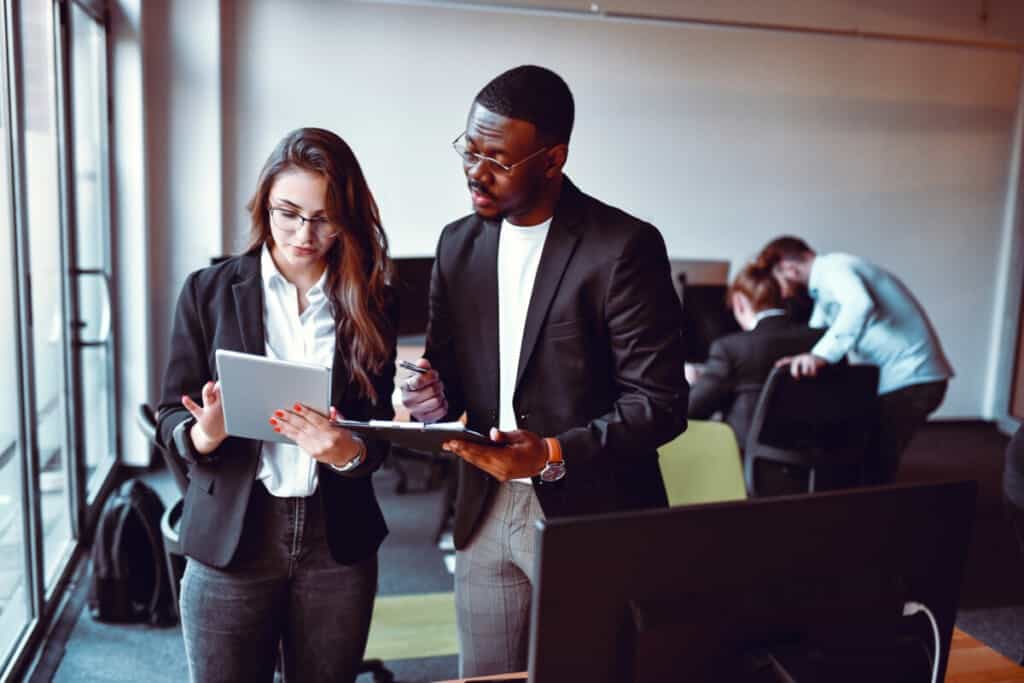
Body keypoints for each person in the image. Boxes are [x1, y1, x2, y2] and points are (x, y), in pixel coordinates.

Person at [400, 65, 687, 676]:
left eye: (498, 159)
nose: (476, 171)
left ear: (553, 159)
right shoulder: (457, 245)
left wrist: (552, 451)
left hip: (592, 510)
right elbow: (447, 374)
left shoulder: (623, 247)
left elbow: (659, 403)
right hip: (483, 505)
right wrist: (429, 396)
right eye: (469, 150)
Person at [156, 128, 397, 682]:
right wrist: (205, 434)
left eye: (324, 218)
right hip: (234, 535)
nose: (304, 233)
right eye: (288, 213)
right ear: (265, 205)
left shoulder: (372, 299)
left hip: (336, 541)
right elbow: (171, 413)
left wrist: (347, 452)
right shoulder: (208, 291)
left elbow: (377, 433)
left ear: (347, 218)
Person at [757, 236, 953, 484]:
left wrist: (820, 356)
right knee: (866, 455)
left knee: (875, 462)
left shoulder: (834, 268)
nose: (782, 291)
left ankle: (876, 517)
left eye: (777, 281)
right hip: (905, 377)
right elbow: (816, 332)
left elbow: (859, 305)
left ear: (788, 268)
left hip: (912, 378)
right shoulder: (823, 288)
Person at [687, 262, 823, 449]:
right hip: (819, 464)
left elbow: (692, 411)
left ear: (739, 302)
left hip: (748, 466)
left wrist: (693, 382)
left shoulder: (730, 348)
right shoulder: (822, 341)